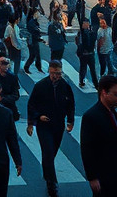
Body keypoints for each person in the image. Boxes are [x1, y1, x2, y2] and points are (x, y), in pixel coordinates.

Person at [80, 75, 117, 197]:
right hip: (103, 176)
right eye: (116, 94)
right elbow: (87, 148)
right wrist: (92, 177)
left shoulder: (116, 113)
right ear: (104, 92)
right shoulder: (91, 116)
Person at [26, 60, 75, 197]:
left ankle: (47, 170)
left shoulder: (65, 86)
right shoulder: (40, 86)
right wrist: (35, 119)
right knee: (47, 152)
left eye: (58, 73)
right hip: (44, 126)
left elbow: (71, 104)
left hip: (58, 124)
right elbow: (31, 104)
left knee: (52, 153)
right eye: (53, 73)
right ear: (49, 71)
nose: (56, 76)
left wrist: (70, 121)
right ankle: (52, 183)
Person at [75, 19, 97, 88]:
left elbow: (93, 41)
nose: (86, 25)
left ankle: (96, 83)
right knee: (83, 68)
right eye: (84, 24)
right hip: (84, 54)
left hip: (90, 53)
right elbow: (79, 43)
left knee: (92, 69)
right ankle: (81, 81)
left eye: (87, 23)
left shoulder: (91, 32)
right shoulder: (81, 33)